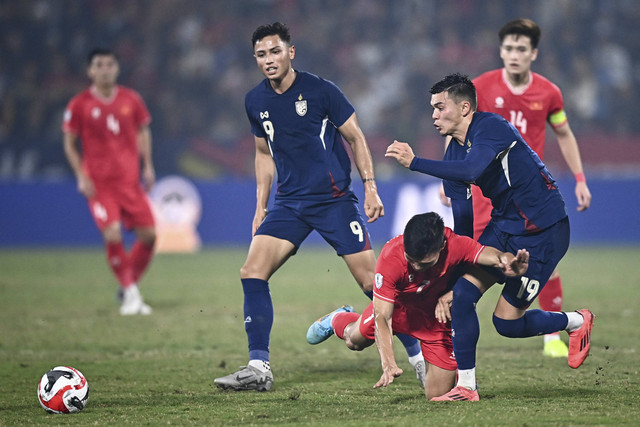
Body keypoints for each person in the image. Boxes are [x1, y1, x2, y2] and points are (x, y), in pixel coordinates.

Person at [213, 22, 422, 392]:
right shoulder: (255, 101)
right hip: (289, 204)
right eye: (261, 55)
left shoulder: (322, 90)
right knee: (251, 271)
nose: (268, 60)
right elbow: (263, 154)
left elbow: (356, 137)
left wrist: (370, 188)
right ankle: (258, 368)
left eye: (275, 52)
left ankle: (419, 358)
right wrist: (260, 206)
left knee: (373, 284)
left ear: (290, 52)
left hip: (334, 201)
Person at [385, 73, 594, 401]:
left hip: (544, 230)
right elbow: (464, 221)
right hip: (503, 226)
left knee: (507, 323)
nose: (434, 115)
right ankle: (467, 386)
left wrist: (414, 163)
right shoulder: (453, 153)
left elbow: (471, 171)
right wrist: (456, 275)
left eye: (440, 107)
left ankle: (576, 321)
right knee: (464, 295)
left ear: (465, 107)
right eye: (432, 109)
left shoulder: (492, 128)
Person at [305, 212, 530, 400]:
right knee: (354, 342)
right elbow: (382, 317)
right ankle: (338, 318)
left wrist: (508, 262)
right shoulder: (391, 257)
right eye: (410, 259)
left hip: (435, 321)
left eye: (422, 263)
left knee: (436, 396)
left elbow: (493, 256)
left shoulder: (455, 245)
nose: (414, 266)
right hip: (398, 310)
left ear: (441, 247)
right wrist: (389, 362)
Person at [470, 18, 592, 358]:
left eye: (521, 49)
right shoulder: (482, 88)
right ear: (500, 51)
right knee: (473, 259)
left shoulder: (549, 93)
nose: (513, 54)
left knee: (542, 261)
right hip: (487, 192)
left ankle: (552, 335)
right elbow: (461, 131)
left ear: (533, 53)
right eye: (508, 48)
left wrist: (580, 179)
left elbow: (564, 133)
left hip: (529, 195)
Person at [63, 48, 156, 316]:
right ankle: (130, 293)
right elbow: (69, 143)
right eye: (99, 65)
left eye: (109, 64)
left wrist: (148, 166)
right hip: (100, 185)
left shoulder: (131, 100)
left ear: (117, 68)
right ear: (90, 71)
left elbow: (143, 131)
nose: (105, 69)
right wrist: (81, 175)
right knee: (113, 233)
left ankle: (129, 286)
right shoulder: (79, 104)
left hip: (130, 182)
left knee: (149, 236)